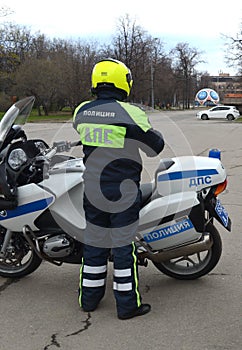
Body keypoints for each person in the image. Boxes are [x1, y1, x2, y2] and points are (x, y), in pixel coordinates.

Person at [73, 58, 164, 320]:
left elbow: (81, 130)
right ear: (123, 82)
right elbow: (155, 145)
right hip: (122, 190)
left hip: (92, 188)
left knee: (94, 244)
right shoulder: (130, 112)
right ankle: (127, 306)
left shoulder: (82, 110)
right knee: (123, 246)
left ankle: (88, 300)